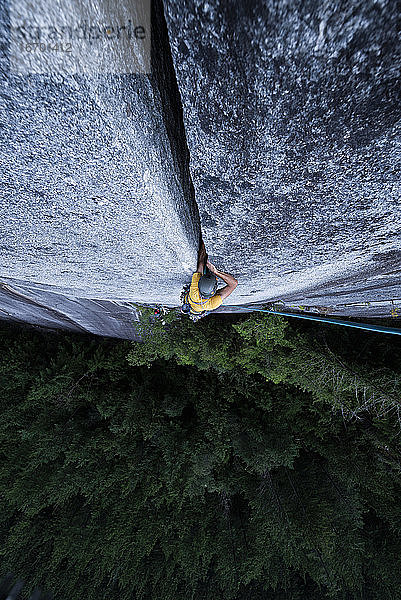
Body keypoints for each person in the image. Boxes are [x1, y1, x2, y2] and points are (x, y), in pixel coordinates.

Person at [183, 238, 238, 316]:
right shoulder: (194, 295)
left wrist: (216, 272)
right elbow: (201, 262)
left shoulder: (211, 305)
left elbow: (234, 284)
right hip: (193, 299)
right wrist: (216, 271)